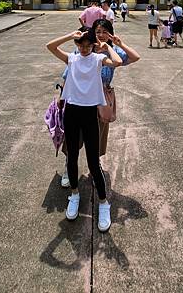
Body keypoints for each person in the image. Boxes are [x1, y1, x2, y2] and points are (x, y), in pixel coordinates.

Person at [46, 28, 122, 232]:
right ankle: (74, 194)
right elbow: (50, 46)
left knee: (92, 162)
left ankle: (104, 203)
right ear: (78, 44)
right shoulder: (72, 58)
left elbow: (117, 62)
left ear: (93, 45)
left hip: (89, 114)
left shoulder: (98, 59)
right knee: (71, 157)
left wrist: (105, 47)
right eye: (81, 44)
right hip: (71, 111)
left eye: (88, 45)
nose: (85, 48)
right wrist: (70, 36)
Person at [60, 19, 140, 186]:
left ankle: (95, 166)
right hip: (80, 98)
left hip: (102, 98)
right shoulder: (83, 49)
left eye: (105, 31)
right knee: (73, 136)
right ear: (92, 34)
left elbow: (135, 57)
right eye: (98, 32)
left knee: (98, 133)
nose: (101, 35)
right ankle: (69, 165)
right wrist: (61, 98)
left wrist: (120, 44)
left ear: (110, 34)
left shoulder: (112, 51)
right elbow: (67, 75)